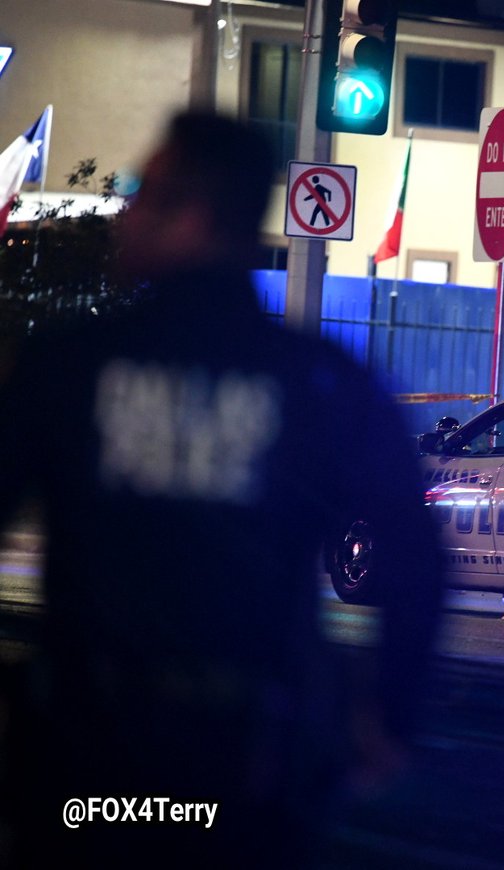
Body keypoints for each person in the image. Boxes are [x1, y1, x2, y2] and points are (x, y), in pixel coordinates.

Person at [0, 111, 443, 865]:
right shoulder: (318, 380)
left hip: (84, 753)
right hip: (250, 765)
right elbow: (417, 555)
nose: (127, 212)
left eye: (147, 194)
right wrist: (388, 715)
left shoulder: (71, 368)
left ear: (194, 216)